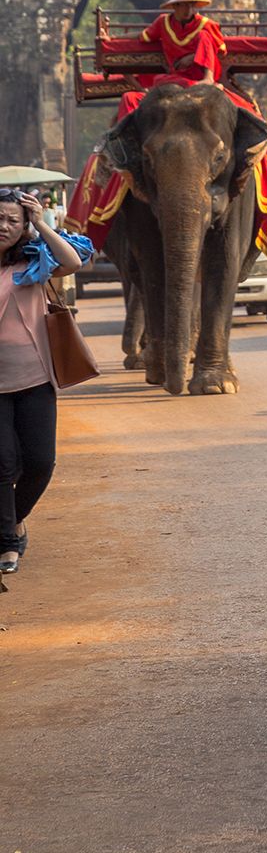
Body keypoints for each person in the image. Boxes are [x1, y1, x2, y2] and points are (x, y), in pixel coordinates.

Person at [0, 187, 93, 575]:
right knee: (2, 465)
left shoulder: (35, 261)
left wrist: (40, 222)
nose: (3, 226)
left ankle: (13, 519)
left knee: (40, 462)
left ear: (23, 227)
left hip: (36, 379)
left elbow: (72, 261)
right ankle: (7, 543)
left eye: (11, 220)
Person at [137, 0, 227, 85]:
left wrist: (192, 57)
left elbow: (220, 51)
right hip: (180, 74)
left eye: (191, 5)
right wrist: (117, 37)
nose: (188, 9)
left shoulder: (206, 24)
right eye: (184, 5)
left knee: (204, 35)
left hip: (200, 71)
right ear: (175, 6)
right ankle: (192, 85)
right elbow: (143, 36)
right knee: (159, 80)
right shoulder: (163, 22)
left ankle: (208, 79)